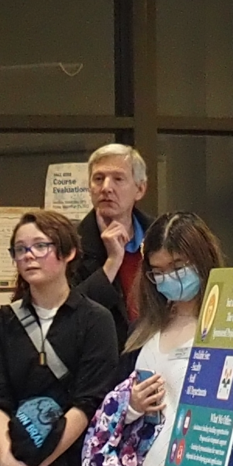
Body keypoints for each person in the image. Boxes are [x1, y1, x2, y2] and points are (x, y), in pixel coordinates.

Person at [103, 212, 233, 466]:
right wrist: (131, 406)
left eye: (178, 266)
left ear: (202, 260)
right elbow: (113, 407)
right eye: (158, 271)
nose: (170, 278)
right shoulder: (141, 333)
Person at [0, 210, 120, 466]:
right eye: (20, 249)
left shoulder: (94, 320)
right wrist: (10, 465)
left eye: (40, 247)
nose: (29, 256)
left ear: (68, 252)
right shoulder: (2, 323)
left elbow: (88, 403)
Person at [73, 143, 152, 342]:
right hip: (103, 362)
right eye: (98, 179)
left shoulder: (161, 236)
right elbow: (69, 318)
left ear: (140, 189)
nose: (106, 188)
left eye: (118, 179)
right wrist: (113, 261)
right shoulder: (70, 245)